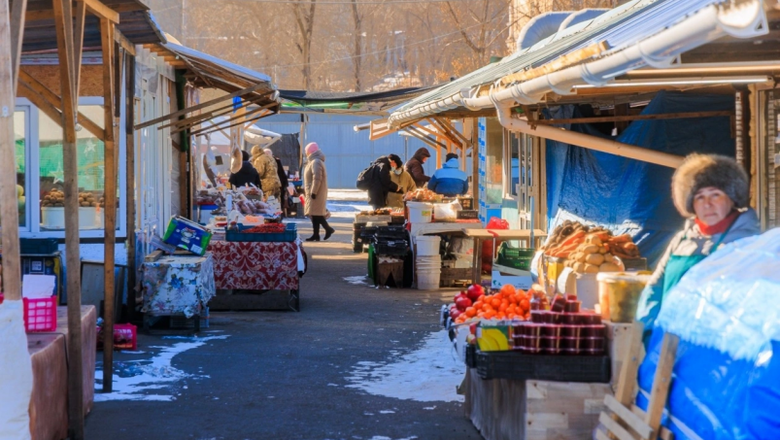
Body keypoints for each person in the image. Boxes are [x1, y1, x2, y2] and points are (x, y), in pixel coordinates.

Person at [636, 153, 760, 336]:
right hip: (667, 344)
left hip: (717, 349)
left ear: (732, 198)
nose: (707, 204)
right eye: (699, 197)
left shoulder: (749, 244)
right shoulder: (681, 240)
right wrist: (648, 331)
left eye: (715, 195)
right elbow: (656, 287)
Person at [303, 142, 335, 241]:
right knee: (315, 214)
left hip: (316, 192)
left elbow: (317, 178)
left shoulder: (315, 162)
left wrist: (314, 192)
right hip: (314, 191)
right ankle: (316, 235)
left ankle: (328, 229)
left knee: (317, 214)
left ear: (309, 152)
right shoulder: (314, 161)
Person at [266, 148, 290, 214]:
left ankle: (277, 216)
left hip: (276, 187)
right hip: (275, 186)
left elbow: (281, 174)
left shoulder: (276, 161)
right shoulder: (275, 161)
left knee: (275, 203)